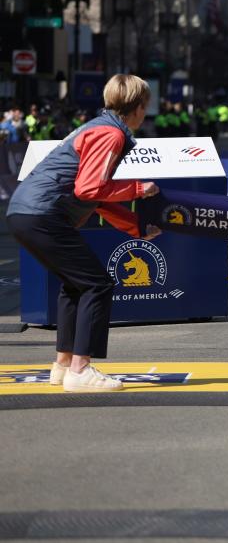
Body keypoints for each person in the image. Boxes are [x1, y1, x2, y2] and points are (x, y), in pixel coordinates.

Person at [6, 74, 162, 392]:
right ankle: (81, 370)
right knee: (98, 284)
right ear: (139, 106)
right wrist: (138, 188)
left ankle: (63, 365)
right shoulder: (111, 135)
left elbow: (96, 198)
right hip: (44, 213)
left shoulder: (96, 126)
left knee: (76, 286)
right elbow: (90, 188)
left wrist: (135, 228)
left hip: (25, 211)